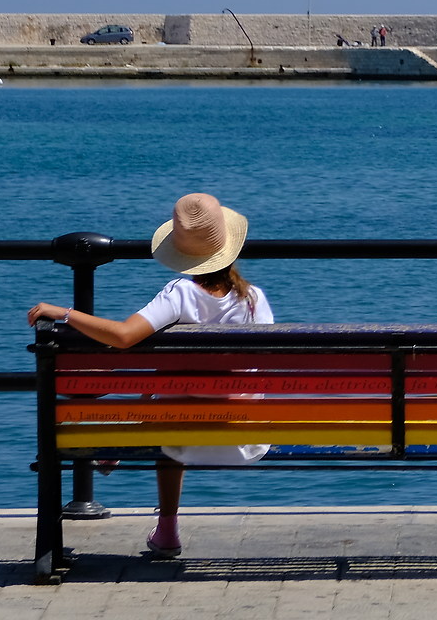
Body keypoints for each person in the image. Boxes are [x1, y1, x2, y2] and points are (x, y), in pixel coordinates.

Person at [26, 193, 272, 560]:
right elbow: (266, 364)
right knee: (177, 382)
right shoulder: (253, 298)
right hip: (245, 435)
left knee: (171, 387)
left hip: (182, 433)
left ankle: (167, 528)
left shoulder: (179, 295)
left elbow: (123, 336)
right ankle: (136, 434)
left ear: (182, 252)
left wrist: (65, 313)